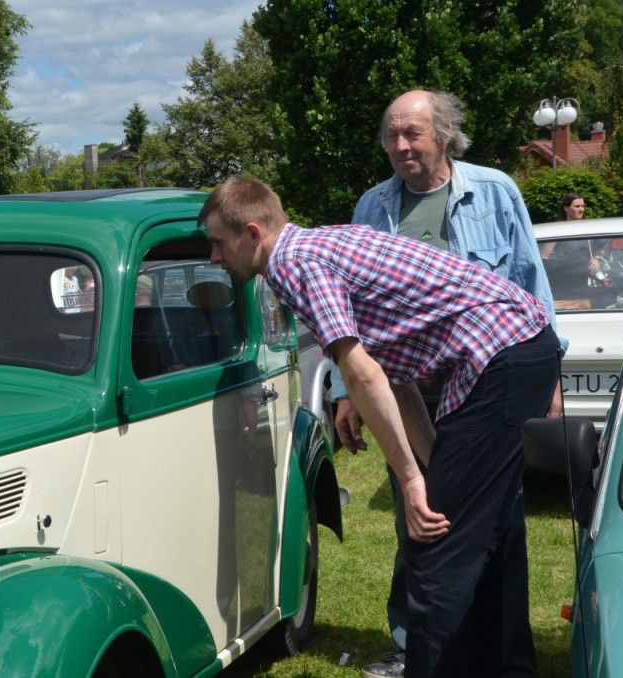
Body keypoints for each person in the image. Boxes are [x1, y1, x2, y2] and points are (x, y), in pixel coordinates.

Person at [199, 176, 560, 678]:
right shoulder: (318, 245)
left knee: (435, 539)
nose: (214, 257)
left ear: (252, 232)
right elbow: (394, 372)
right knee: (484, 528)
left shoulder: (292, 264)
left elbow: (362, 373)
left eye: (218, 242)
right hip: (517, 347)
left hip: (502, 353)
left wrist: (413, 483)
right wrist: (431, 467)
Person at [333, 89, 562, 678]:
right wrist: (345, 393)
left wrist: (549, 382)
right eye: (392, 136)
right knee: (419, 512)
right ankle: (418, 646)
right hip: (408, 392)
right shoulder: (372, 208)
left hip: (487, 384)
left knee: (500, 520)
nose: (402, 147)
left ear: (445, 136)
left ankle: (505, 655)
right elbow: (349, 314)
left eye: (413, 134)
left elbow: (532, 289)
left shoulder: (493, 191)